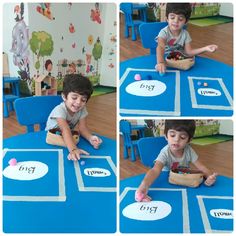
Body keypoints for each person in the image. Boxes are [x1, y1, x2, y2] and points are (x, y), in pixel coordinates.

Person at [135, 120, 217, 202]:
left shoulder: (189, 151)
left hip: (183, 180)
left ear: (189, 140)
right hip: (167, 181)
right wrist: (144, 185)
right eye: (172, 135)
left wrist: (210, 177)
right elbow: (155, 170)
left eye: (182, 137)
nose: (176, 140)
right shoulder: (165, 152)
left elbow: (202, 167)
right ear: (166, 136)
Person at [45, 74, 102, 161]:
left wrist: (90, 138)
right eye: (74, 97)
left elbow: (82, 128)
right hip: (52, 139)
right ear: (64, 96)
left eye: (83, 100)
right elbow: (65, 129)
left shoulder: (82, 109)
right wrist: (73, 149)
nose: (78, 102)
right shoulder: (59, 110)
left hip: (67, 139)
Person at [155, 3, 218, 74]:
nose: (176, 21)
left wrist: (206, 48)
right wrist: (160, 62)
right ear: (167, 19)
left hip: (180, 59)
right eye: (172, 17)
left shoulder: (185, 34)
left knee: (189, 63)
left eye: (180, 19)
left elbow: (189, 52)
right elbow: (160, 47)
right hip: (165, 59)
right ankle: (166, 63)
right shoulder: (163, 32)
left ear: (186, 21)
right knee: (187, 65)